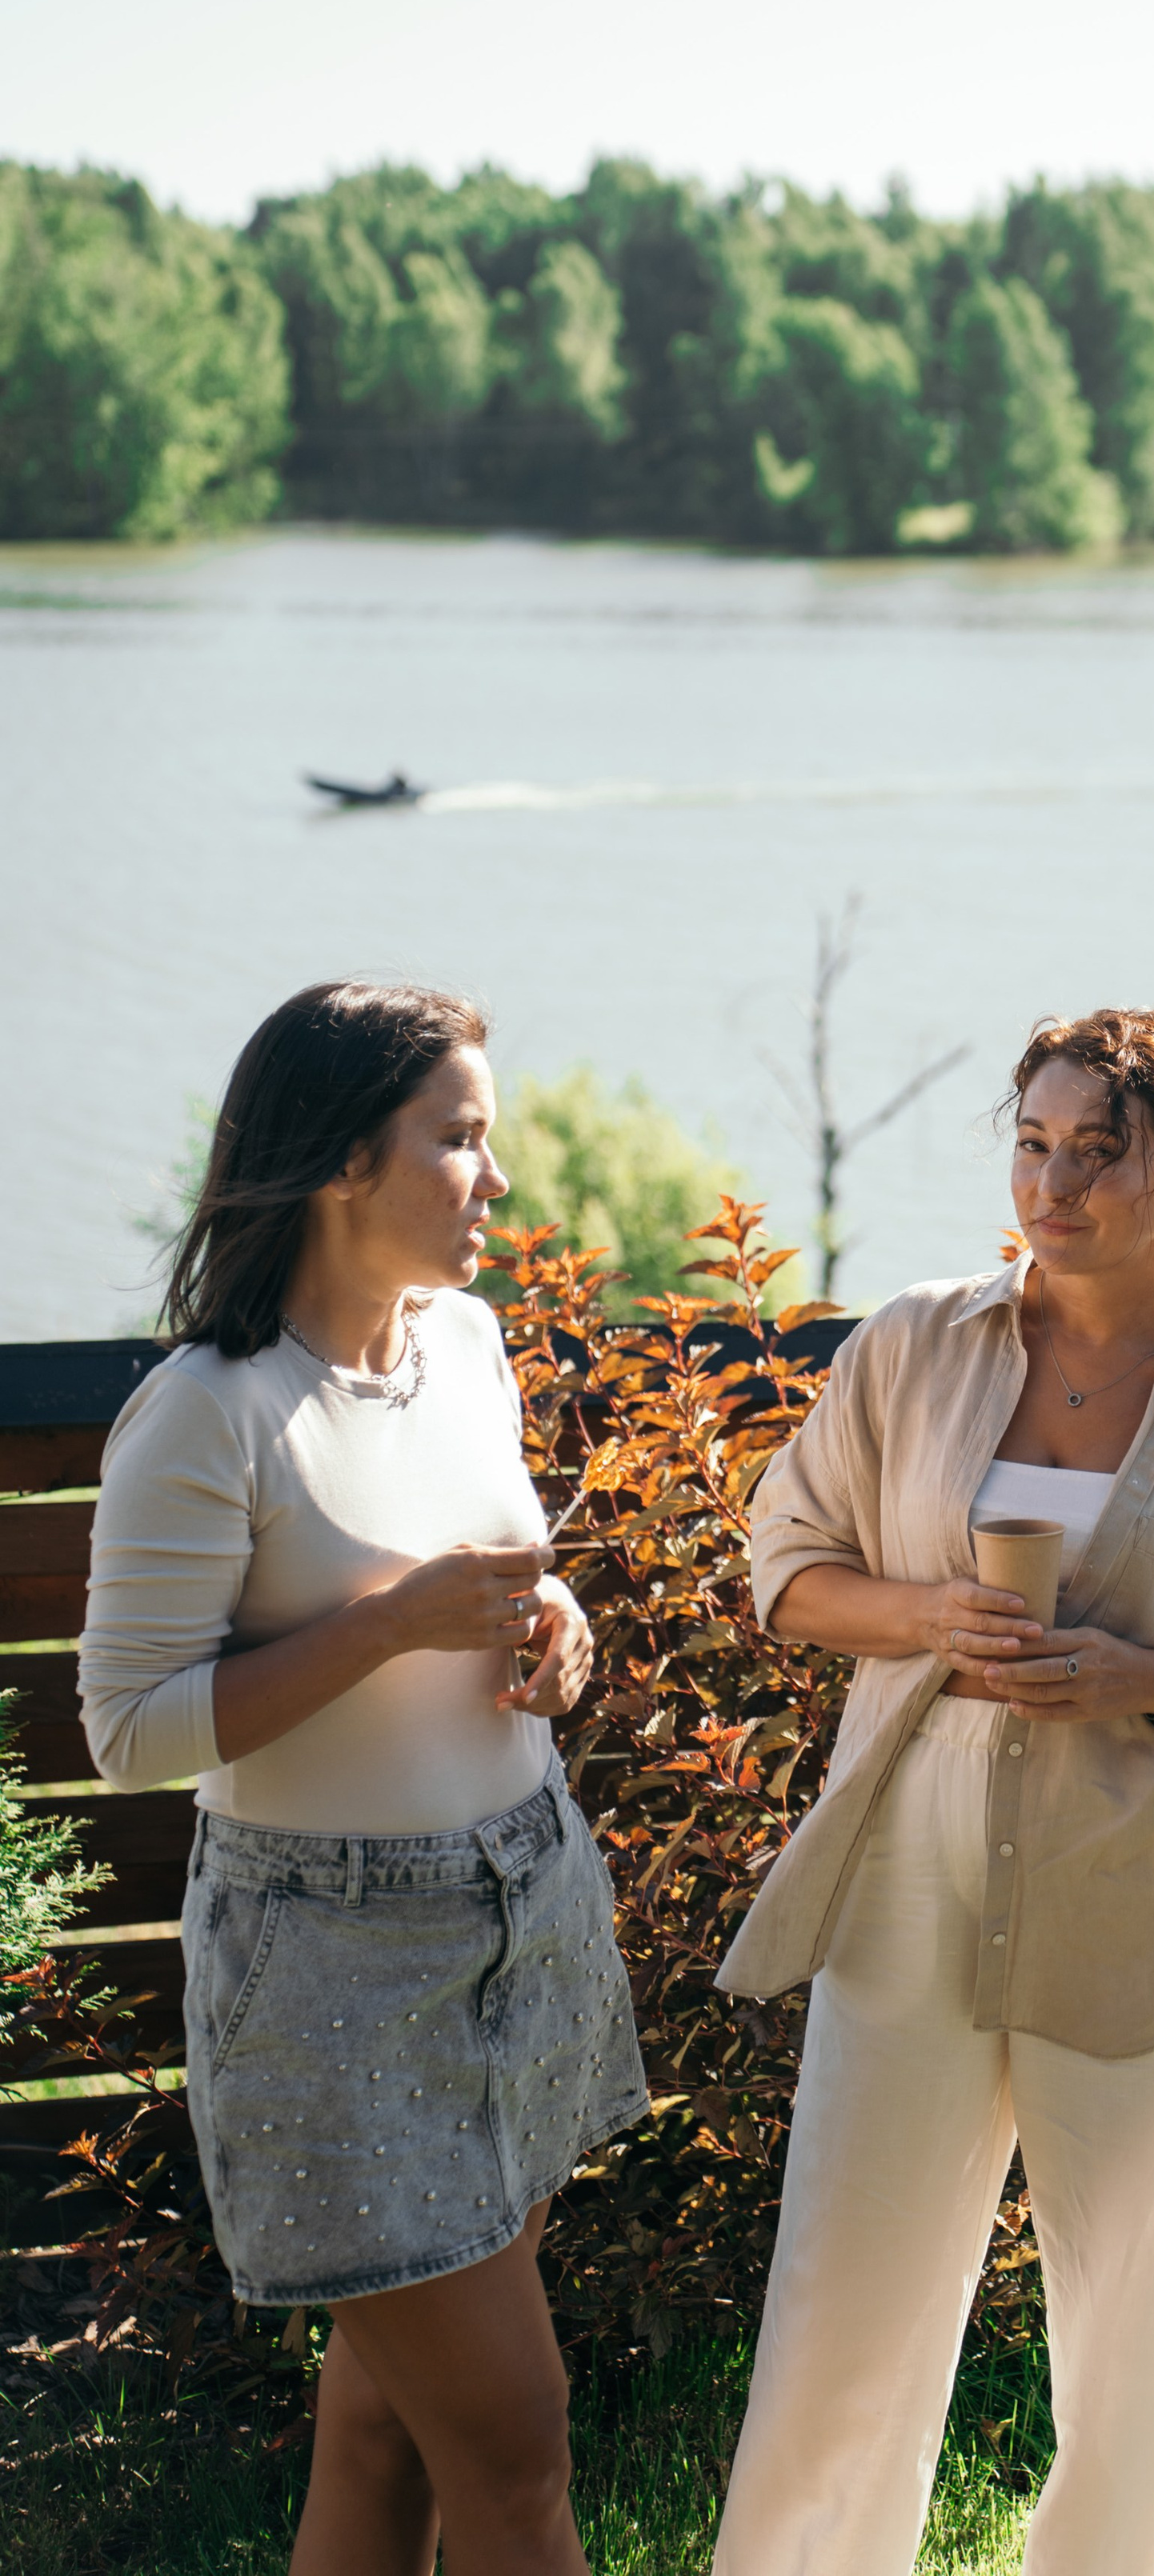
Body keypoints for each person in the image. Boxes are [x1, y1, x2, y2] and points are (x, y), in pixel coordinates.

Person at [709, 1007, 1154, 2576]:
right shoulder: (911, 1345)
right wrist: (927, 1618)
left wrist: (1151, 1680)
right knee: (844, 2311)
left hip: (1150, 1913)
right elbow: (787, 1569)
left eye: (1099, 1151)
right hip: (907, 1897)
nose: (1054, 1184)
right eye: (1033, 1144)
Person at [78, 982, 647, 2576]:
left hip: (525, 1904)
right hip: (331, 1968)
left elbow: (498, 1578)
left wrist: (556, 1631)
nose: (497, 1177)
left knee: (389, 2433)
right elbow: (131, 1730)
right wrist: (388, 1626)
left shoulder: (464, 1344)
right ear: (344, 1160)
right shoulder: (209, 1412)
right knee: (516, 2447)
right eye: (458, 1140)